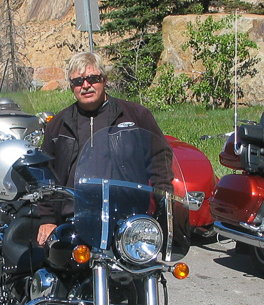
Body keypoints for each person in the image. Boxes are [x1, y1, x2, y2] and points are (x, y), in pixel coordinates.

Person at [36, 51, 170, 245]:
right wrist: (47, 219)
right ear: (71, 86)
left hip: (127, 220)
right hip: (73, 218)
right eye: (78, 81)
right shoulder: (58, 124)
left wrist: (164, 204)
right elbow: (45, 173)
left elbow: (159, 159)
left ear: (104, 79)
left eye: (93, 79)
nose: (86, 85)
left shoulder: (135, 116)